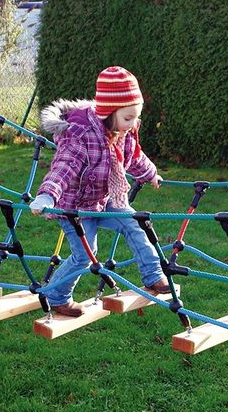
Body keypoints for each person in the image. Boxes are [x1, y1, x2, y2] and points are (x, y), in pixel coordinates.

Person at [30, 66, 170, 317]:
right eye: (128, 118)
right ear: (108, 113)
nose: (132, 124)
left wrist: (151, 174)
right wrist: (47, 195)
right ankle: (57, 296)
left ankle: (153, 275)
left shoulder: (123, 131)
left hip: (104, 198)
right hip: (75, 207)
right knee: (85, 254)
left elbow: (134, 156)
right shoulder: (81, 134)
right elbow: (64, 167)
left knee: (135, 223)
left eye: (136, 117)